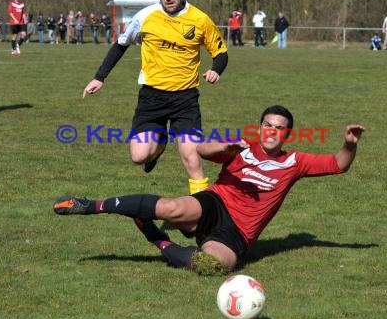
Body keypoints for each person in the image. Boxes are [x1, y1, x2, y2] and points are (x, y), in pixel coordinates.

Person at [53, 105, 365, 274]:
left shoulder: (296, 162)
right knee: (173, 208)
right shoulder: (241, 147)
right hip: (215, 204)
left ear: (287, 133)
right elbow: (202, 149)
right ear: (260, 127)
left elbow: (339, 164)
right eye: (267, 124)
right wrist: (228, 148)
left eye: (279, 127)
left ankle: (155, 238)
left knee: (212, 265)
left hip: (237, 234)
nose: (272, 131)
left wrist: (348, 144)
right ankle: (90, 205)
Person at [82, 0, 228, 195]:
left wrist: (216, 70)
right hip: (152, 97)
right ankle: (159, 148)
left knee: (192, 159)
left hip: (185, 99)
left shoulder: (200, 19)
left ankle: (204, 217)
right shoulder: (145, 17)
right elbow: (121, 44)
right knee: (139, 156)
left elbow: (220, 52)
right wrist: (99, 77)